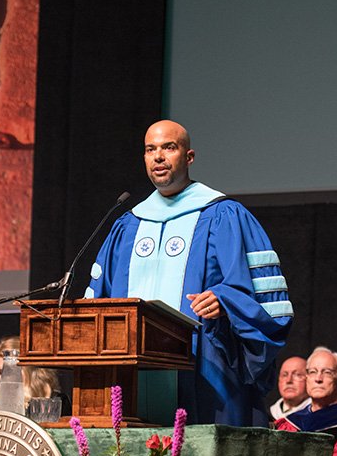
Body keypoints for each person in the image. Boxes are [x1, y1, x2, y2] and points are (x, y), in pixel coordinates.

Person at [85, 120, 293, 426]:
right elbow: (98, 302)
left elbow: (266, 300)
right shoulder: (127, 225)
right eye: (150, 149)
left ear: (189, 156)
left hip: (204, 366)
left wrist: (225, 301)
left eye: (169, 147)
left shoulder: (224, 215)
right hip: (132, 371)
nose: (158, 156)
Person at [0, 335, 61, 411]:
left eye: (14, 371)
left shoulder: (57, 403)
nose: (7, 378)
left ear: (31, 370)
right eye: (1, 372)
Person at [269, 355, 308, 422]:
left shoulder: (317, 416)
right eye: (284, 375)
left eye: (297, 374)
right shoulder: (267, 416)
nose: (289, 380)